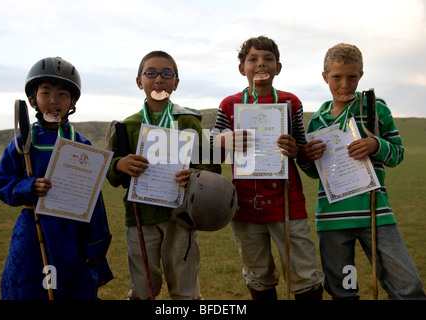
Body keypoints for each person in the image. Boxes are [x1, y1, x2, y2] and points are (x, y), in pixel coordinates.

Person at [299, 43, 426, 300]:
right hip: (333, 221)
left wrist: (376, 144)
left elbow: (398, 153)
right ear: (325, 77)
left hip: (375, 215)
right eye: (337, 77)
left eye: (352, 77)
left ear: (361, 75)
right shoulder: (317, 120)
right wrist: (306, 158)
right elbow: (315, 173)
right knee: (344, 292)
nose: (344, 84)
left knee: (408, 288)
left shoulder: (374, 107)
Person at [0, 57, 113, 300]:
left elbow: (93, 197)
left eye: (63, 94)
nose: (54, 100)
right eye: (46, 92)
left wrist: (97, 240)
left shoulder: (81, 143)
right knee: (30, 289)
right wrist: (28, 186)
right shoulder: (21, 143)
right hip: (33, 233)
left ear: (73, 102)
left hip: (72, 234)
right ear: (33, 100)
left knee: (72, 290)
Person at [210, 36, 324, 300]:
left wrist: (297, 150)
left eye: (268, 59)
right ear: (242, 68)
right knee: (258, 273)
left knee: (304, 273)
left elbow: (302, 151)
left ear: (278, 67)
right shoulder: (229, 104)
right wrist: (224, 139)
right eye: (253, 59)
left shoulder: (290, 102)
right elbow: (211, 149)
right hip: (245, 205)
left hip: (287, 202)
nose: (261, 63)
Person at [106, 50, 221, 300]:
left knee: (184, 287)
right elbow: (111, 176)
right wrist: (119, 164)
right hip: (140, 218)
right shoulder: (127, 126)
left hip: (181, 216)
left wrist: (194, 175)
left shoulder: (190, 122)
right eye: (151, 73)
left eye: (167, 74)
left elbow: (212, 167)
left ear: (176, 83)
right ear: (140, 82)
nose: (159, 79)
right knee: (143, 288)